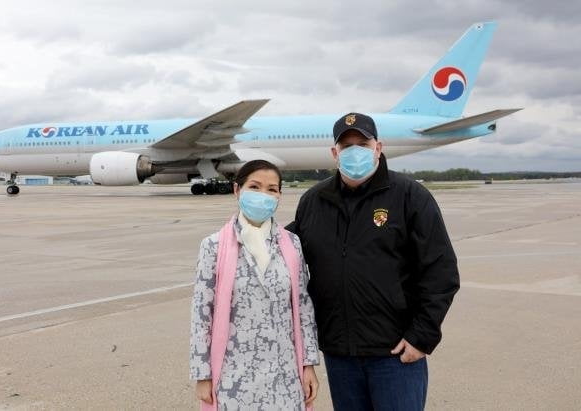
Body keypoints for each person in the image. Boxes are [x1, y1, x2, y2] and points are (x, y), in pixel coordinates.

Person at [286, 113, 460, 410]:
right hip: (340, 355)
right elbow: (285, 253)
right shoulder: (314, 202)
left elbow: (441, 272)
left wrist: (422, 336)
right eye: (346, 145)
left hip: (394, 354)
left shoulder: (410, 196)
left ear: (378, 147)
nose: (355, 150)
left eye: (362, 143)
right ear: (334, 153)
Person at [190, 159, 320, 410]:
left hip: (285, 374)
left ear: (280, 195)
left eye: (272, 189)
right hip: (233, 376)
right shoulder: (213, 246)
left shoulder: (292, 245)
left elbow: (303, 308)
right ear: (237, 190)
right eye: (255, 186)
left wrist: (308, 364)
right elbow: (201, 315)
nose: (263, 195)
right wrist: (202, 374)